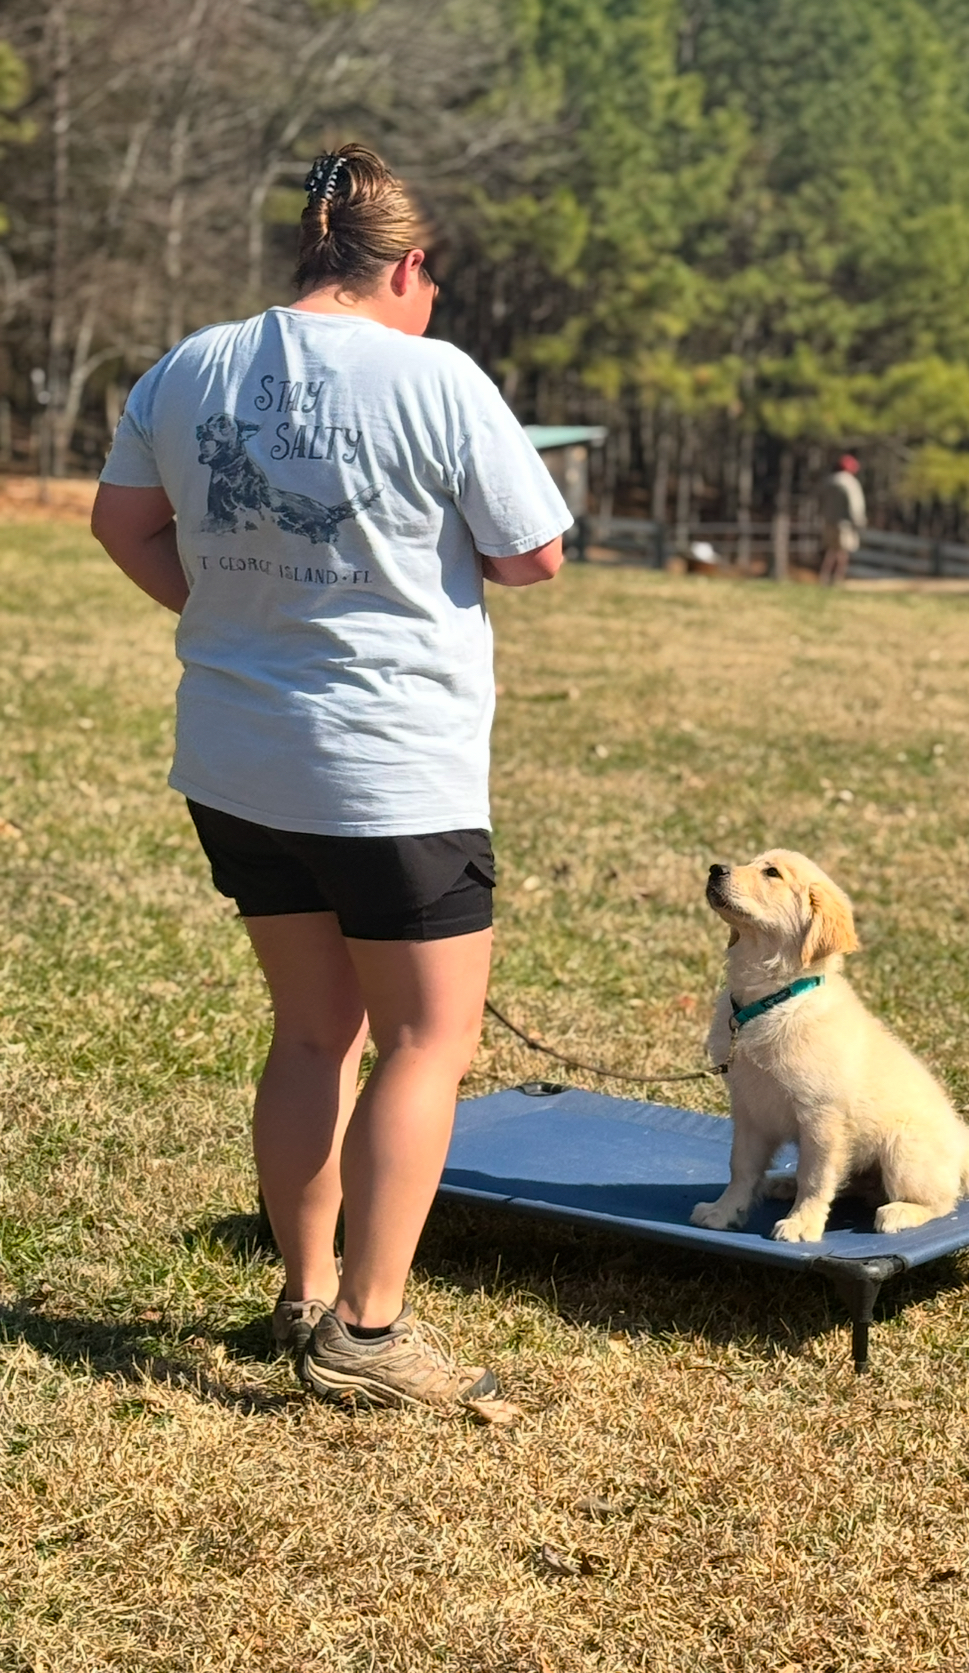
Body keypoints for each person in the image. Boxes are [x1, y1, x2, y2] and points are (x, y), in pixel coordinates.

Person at [90, 144, 571, 1411]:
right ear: (406, 266)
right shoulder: (438, 376)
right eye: (431, 286)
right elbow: (535, 555)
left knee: (312, 1030)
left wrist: (226, 609)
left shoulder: (191, 364)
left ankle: (301, 1296)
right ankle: (365, 1332)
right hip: (390, 771)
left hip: (238, 757)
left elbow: (120, 522)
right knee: (426, 1040)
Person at [818, 453, 867, 585]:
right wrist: (859, 521)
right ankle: (838, 580)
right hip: (845, 523)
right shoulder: (850, 483)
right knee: (842, 552)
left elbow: (819, 500)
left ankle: (824, 578)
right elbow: (855, 505)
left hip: (828, 521)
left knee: (830, 551)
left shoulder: (829, 481)